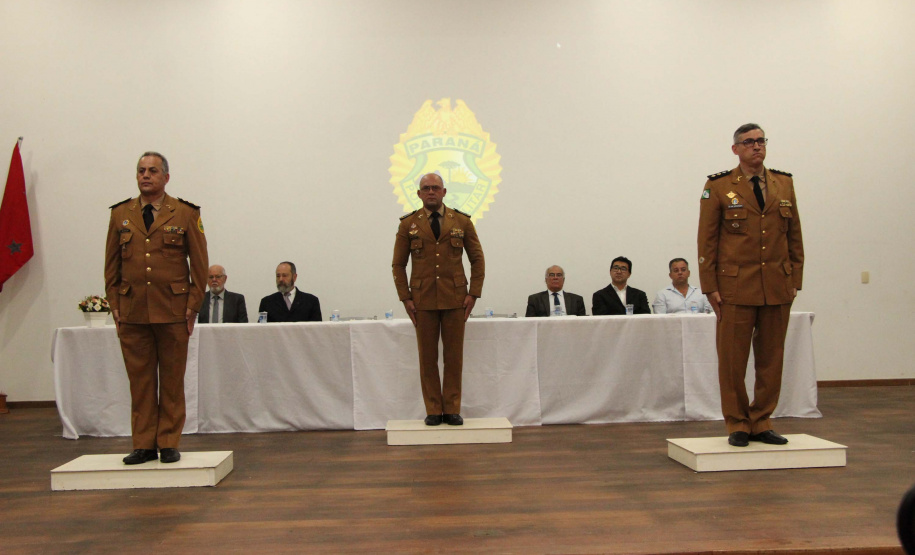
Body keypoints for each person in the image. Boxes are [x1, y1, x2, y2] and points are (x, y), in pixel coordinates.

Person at [697, 123, 804, 447]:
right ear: (735, 149)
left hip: (776, 285)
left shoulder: (783, 183)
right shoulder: (717, 186)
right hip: (734, 287)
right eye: (748, 142)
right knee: (732, 360)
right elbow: (707, 240)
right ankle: (738, 423)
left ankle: (762, 421)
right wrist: (709, 285)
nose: (756, 147)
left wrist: (794, 279)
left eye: (760, 141)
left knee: (772, 359)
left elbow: (794, 235)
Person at [104, 151, 208, 465]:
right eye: (141, 171)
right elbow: (111, 267)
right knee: (141, 381)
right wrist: (115, 305)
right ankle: (144, 444)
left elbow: (200, 265)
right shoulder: (120, 213)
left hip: (174, 311)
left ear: (166, 177)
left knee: (173, 380)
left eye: (152, 171)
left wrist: (192, 306)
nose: (145, 175)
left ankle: (169, 441)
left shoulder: (186, 213)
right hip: (133, 311)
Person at [392, 172, 485, 426]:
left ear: (444, 192)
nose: (431, 192)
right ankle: (434, 409)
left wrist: (473, 293)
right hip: (422, 301)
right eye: (426, 188)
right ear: (419, 194)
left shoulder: (462, 222)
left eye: (435, 188)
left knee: (454, 357)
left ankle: (452, 408)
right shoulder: (408, 224)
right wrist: (406, 298)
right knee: (427, 357)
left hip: (456, 299)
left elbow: (477, 259)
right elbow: (398, 265)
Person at [258, 261, 322, 322]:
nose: (280, 279)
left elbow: (317, 330)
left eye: (284, 275)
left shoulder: (311, 301)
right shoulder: (267, 302)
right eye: (278, 276)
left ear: (294, 277)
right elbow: (262, 331)